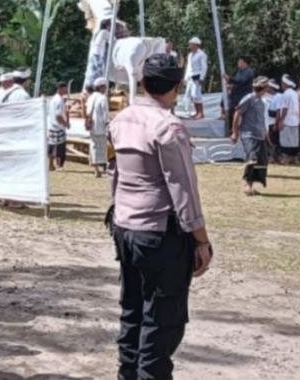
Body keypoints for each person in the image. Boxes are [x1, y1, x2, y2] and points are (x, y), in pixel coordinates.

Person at [108, 53, 213, 379]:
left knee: (133, 313)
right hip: (160, 234)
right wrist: (202, 241)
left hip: (126, 228)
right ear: (177, 87)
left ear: (142, 83)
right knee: (162, 322)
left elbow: (115, 175)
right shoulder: (169, 127)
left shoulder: (120, 120)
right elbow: (184, 190)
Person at [231, 76, 270, 196]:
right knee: (252, 158)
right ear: (263, 88)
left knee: (261, 161)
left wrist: (266, 134)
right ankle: (247, 184)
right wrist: (235, 132)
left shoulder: (262, 103)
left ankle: (251, 185)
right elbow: (237, 113)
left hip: (259, 135)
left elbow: (261, 120)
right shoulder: (248, 99)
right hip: (248, 134)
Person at [86, 77, 110, 177]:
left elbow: (87, 112)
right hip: (100, 126)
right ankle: (103, 167)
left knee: (94, 146)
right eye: (105, 87)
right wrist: (107, 124)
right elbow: (105, 114)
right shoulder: (102, 98)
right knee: (103, 147)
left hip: (91, 125)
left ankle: (96, 169)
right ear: (101, 87)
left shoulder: (90, 97)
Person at [225, 58, 255, 131]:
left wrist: (229, 79)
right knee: (231, 111)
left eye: (240, 63)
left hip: (243, 96)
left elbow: (241, 81)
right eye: (238, 63)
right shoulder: (239, 72)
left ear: (245, 63)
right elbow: (237, 82)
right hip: (235, 96)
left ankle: (244, 129)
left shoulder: (249, 72)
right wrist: (231, 85)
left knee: (243, 113)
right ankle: (231, 129)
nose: (238, 65)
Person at [276, 74, 300, 164]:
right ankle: (294, 158)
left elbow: (285, 108)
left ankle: (286, 158)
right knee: (294, 140)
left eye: (282, 83)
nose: (281, 85)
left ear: (285, 84)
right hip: (295, 120)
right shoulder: (294, 93)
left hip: (287, 120)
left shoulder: (286, 94)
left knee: (286, 140)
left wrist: (281, 120)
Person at [183, 37, 208, 119]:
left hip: (197, 76)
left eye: (191, 44)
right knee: (190, 95)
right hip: (191, 76)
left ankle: (201, 113)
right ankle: (197, 112)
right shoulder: (190, 55)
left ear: (196, 45)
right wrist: (185, 77)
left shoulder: (201, 54)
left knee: (196, 94)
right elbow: (189, 67)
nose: (190, 46)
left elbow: (204, 67)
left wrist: (202, 77)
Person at [48, 81, 70, 171]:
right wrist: (65, 123)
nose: (66, 90)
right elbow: (58, 116)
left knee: (53, 146)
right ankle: (57, 165)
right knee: (59, 147)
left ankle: (51, 165)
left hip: (53, 125)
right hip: (58, 126)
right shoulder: (58, 100)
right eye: (65, 88)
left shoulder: (55, 99)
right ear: (60, 88)